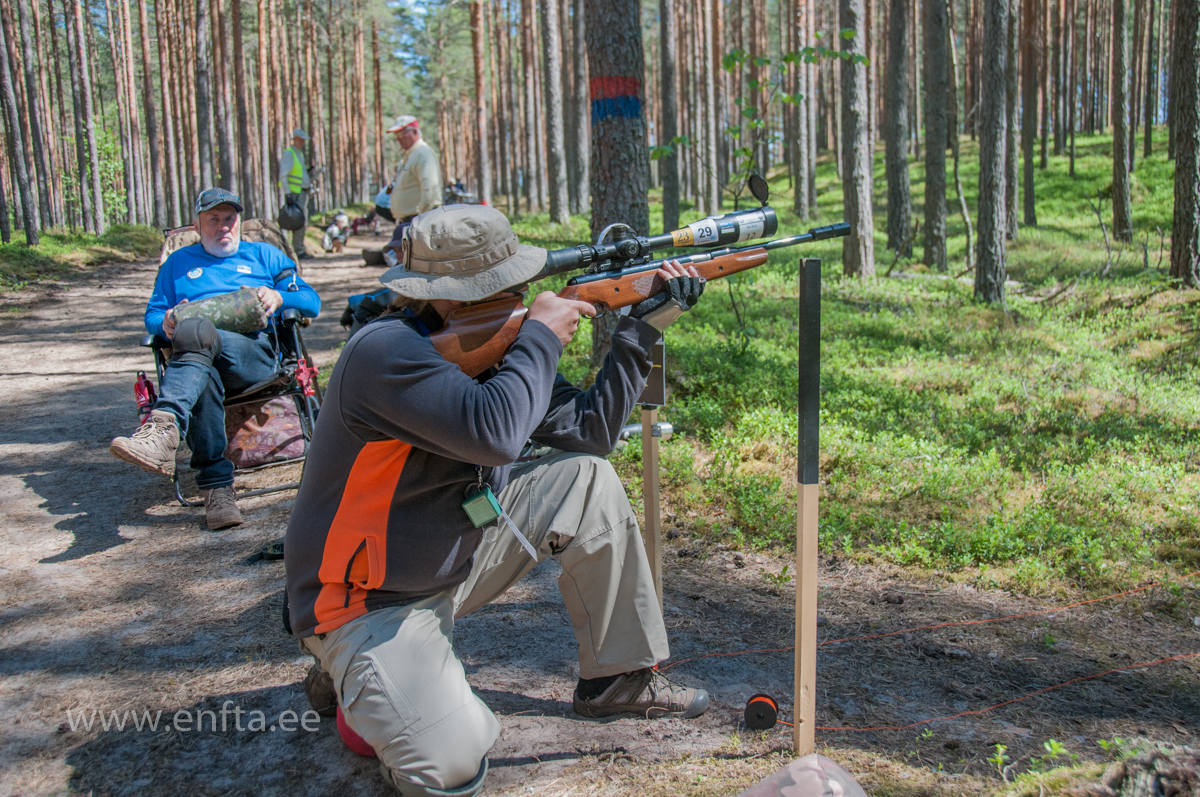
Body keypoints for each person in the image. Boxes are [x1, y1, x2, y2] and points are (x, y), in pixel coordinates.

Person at [285, 205, 708, 797]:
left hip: (450, 557)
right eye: (512, 286)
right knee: (452, 764)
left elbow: (591, 434)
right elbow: (495, 431)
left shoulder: (496, 346)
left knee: (586, 478)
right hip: (365, 599)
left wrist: (642, 331)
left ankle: (617, 680)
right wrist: (538, 336)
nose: (527, 294)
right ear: (456, 301)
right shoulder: (383, 353)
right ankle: (351, 666)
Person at [109, 188, 322, 530]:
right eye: (213, 219)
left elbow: (311, 301)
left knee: (194, 333)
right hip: (201, 364)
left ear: (238, 222)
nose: (223, 226)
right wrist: (163, 323)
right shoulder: (178, 264)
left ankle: (164, 429)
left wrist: (279, 297)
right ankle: (217, 492)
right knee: (200, 364)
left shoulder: (264, 255)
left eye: (230, 219)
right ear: (197, 224)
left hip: (253, 358)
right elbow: (152, 318)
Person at [382, 115, 441, 252]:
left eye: (402, 133)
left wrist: (423, 223)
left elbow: (429, 190)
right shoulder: (410, 156)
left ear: (415, 132)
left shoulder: (423, 153)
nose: (398, 139)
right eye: (396, 135)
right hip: (410, 223)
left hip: (418, 222)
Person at [279, 128, 313, 260]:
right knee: (297, 222)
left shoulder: (298, 153)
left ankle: (298, 248)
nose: (302, 142)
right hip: (295, 194)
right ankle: (297, 250)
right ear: (294, 139)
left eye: (303, 140)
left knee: (301, 221)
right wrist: (288, 194)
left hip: (301, 192)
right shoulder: (289, 153)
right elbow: (283, 175)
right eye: (300, 139)